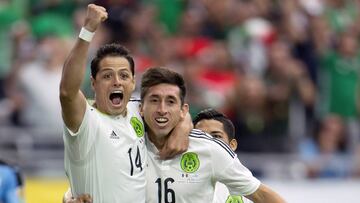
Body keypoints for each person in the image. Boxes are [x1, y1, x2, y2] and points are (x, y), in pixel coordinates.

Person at [60, 4, 190, 202]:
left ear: (132, 82)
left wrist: (183, 125)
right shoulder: (85, 118)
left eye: (123, 75)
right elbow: (67, 92)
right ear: (93, 83)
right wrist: (87, 31)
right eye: (107, 76)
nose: (116, 81)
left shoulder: (138, 110)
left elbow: (176, 109)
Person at [142, 67, 285, 203]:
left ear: (183, 111)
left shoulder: (210, 149)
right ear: (141, 107)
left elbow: (262, 195)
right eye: (154, 100)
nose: (162, 109)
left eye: (170, 102)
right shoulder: (127, 137)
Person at [193, 108, 252, 203]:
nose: (208, 142)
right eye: (201, 136)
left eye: (216, 136)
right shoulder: (178, 181)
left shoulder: (245, 186)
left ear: (232, 145)